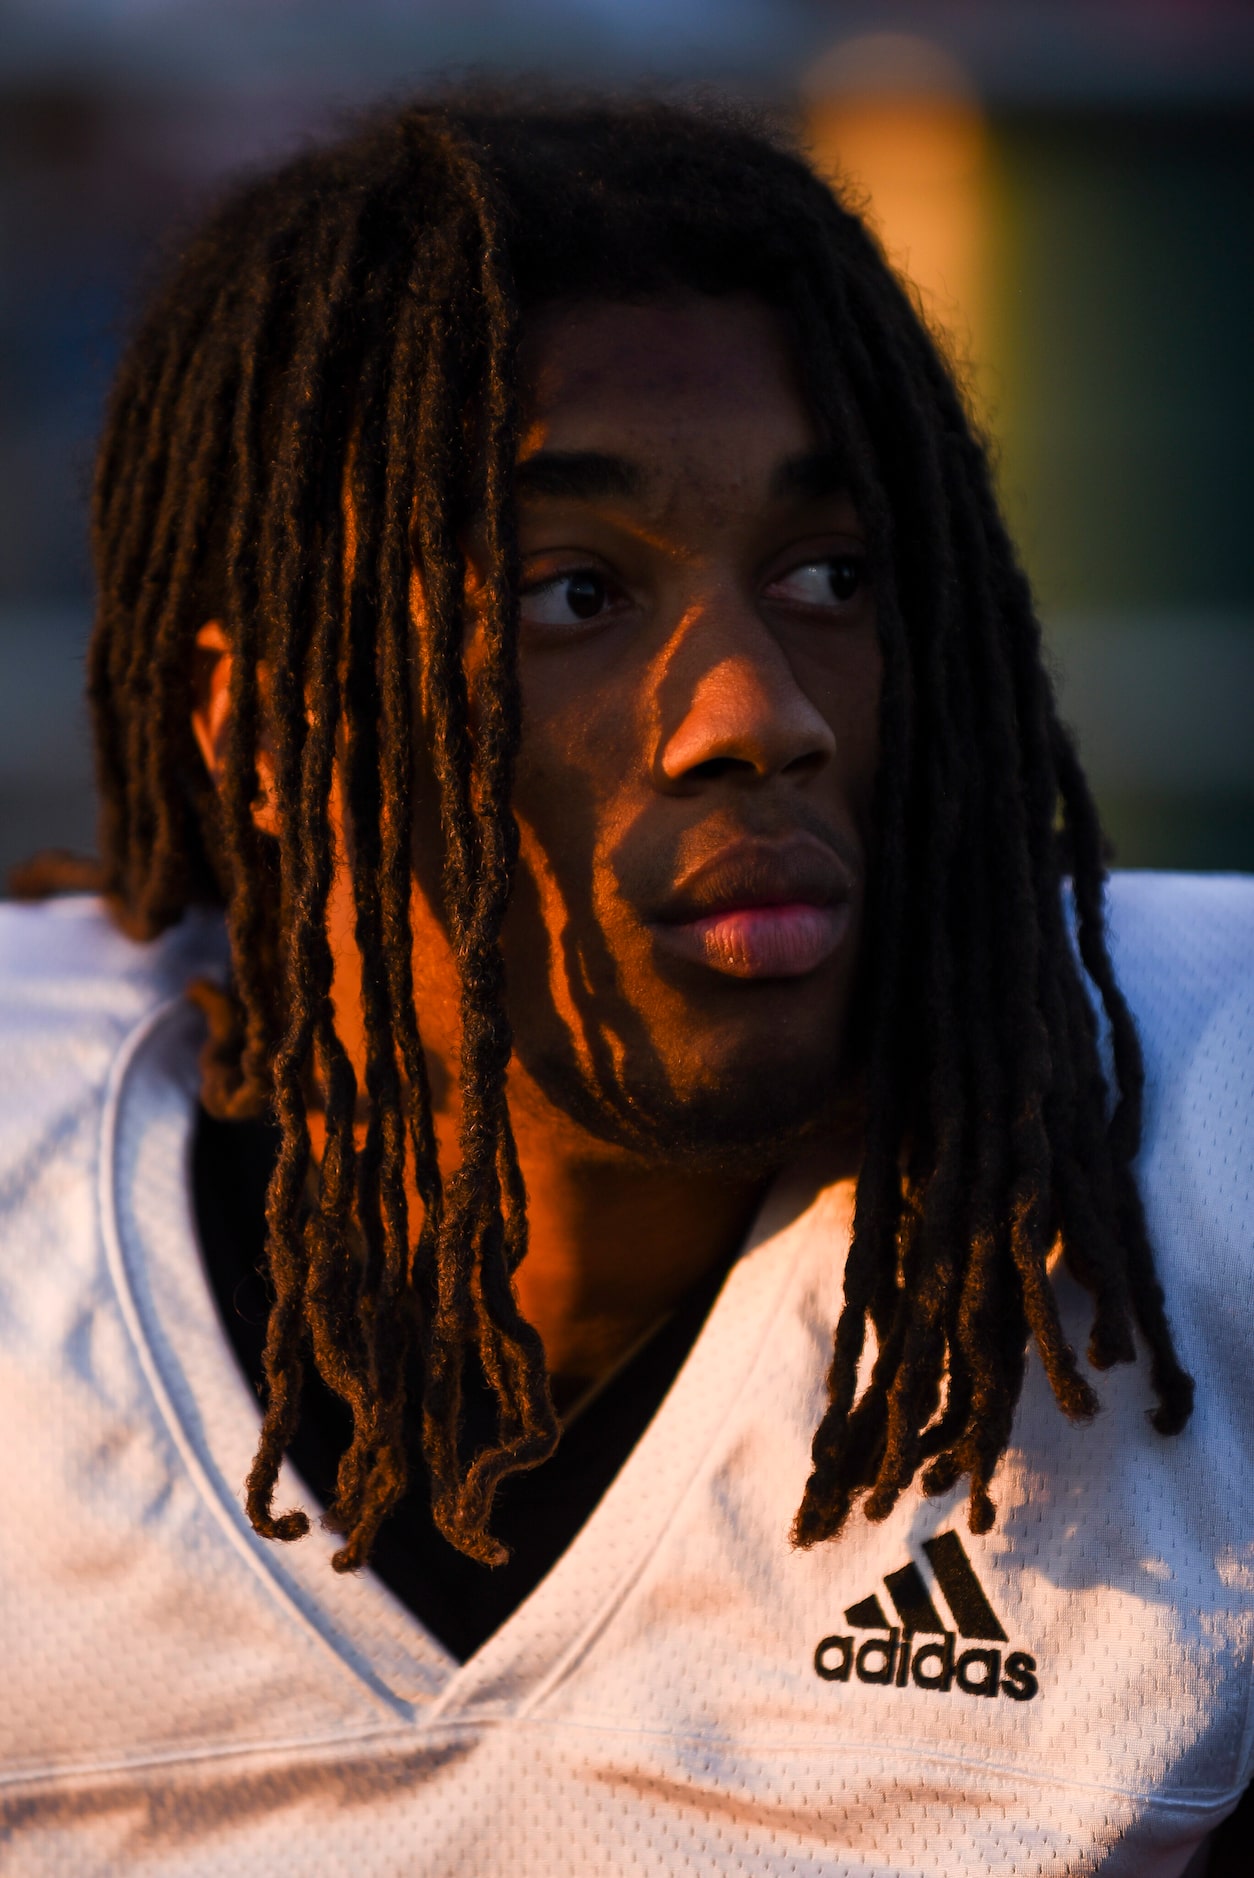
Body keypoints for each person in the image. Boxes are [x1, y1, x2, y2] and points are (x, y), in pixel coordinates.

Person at [0, 94, 1250, 1876]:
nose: (760, 712)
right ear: (258, 728)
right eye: (569, 591)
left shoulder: (1196, 1130)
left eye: (832, 577)